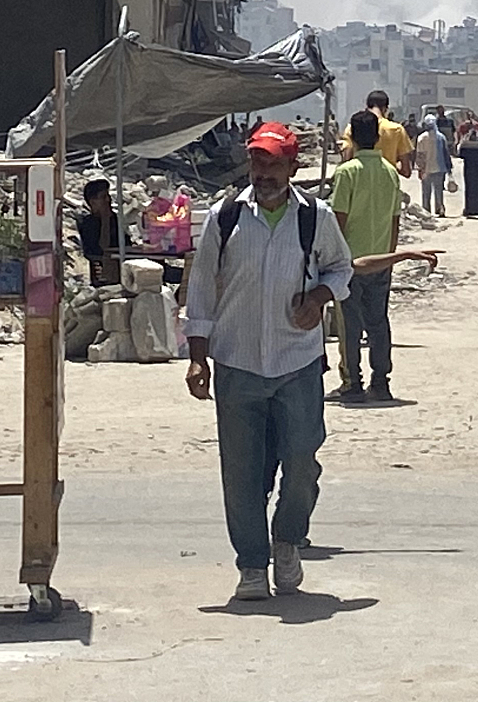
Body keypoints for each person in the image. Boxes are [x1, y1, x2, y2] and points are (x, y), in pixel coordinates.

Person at [185, 121, 354, 600]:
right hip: (237, 362)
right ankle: (252, 566)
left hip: (297, 362)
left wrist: (319, 296)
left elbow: (341, 268)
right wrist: (198, 358)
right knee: (242, 472)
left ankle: (287, 538)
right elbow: (200, 289)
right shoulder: (224, 217)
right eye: (258, 162)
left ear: (291, 168)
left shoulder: (313, 218)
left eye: (273, 164)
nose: (263, 173)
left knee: (301, 461)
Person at [328, 110, 403, 403]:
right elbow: (395, 219)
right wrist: (391, 256)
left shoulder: (346, 172)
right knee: (378, 322)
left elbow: (338, 220)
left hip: (350, 262)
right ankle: (381, 382)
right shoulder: (389, 171)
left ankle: (352, 383)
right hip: (382, 259)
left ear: (353, 138)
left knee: (349, 324)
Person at [340, 90, 414, 177]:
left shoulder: (352, 128)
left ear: (367, 106)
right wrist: (392, 166)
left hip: (358, 184)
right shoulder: (397, 130)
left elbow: (347, 159)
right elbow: (406, 171)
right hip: (387, 185)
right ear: (385, 109)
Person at [76, 177, 126, 285]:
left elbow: (125, 242)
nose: (108, 200)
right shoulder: (87, 223)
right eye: (103, 197)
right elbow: (102, 247)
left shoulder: (115, 219)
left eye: (108, 196)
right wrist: (105, 220)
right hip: (102, 271)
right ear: (93, 202)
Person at [414, 113, 451, 216]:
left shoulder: (421, 138)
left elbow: (420, 155)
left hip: (426, 169)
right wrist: (449, 169)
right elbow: (446, 153)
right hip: (439, 168)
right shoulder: (441, 137)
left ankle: (426, 211)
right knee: (439, 191)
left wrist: (420, 169)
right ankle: (440, 209)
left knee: (426, 192)